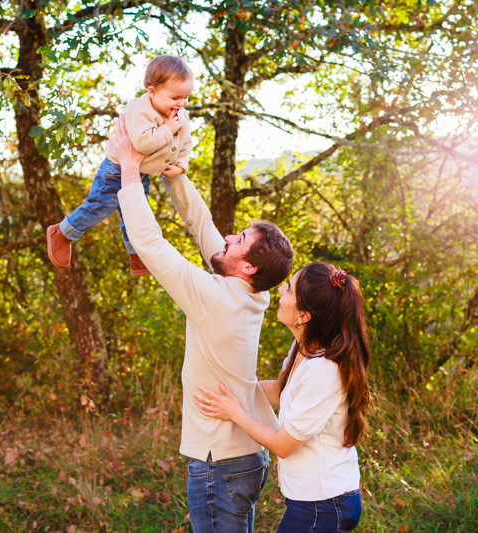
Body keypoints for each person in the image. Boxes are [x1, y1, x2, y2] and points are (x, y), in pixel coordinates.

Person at [109, 115, 295, 532]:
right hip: (245, 458)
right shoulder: (254, 293)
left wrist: (130, 168)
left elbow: (150, 243)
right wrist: (177, 178)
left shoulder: (215, 298)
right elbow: (203, 228)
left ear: (247, 266)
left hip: (219, 464)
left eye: (239, 240)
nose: (228, 237)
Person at [194, 262, 371, 532]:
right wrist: (229, 387)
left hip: (324, 503)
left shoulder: (323, 370)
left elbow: (283, 445)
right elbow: (281, 389)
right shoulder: (304, 347)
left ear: (303, 315)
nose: (279, 291)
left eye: (288, 289)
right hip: (314, 500)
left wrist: (235, 412)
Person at [46, 55, 194, 276]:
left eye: (186, 97)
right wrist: (167, 129)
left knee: (136, 214)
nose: (181, 104)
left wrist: (180, 166)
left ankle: (136, 255)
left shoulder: (180, 116)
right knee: (100, 205)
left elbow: (185, 143)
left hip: (140, 173)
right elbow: (142, 143)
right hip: (115, 170)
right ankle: (62, 232)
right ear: (152, 92)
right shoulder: (139, 109)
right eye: (175, 98)